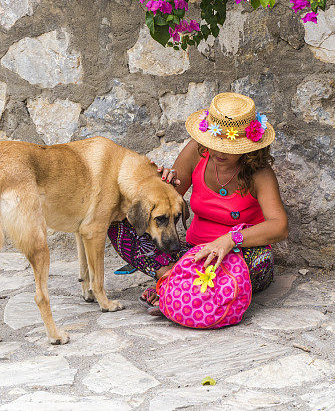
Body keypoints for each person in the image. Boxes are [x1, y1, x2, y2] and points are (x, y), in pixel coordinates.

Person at [107, 92, 288, 309]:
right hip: (191, 253)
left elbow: (280, 227)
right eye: (214, 142)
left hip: (236, 255)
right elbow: (171, 198)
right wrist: (162, 181)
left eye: (228, 147)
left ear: (248, 149)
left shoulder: (260, 174)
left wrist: (230, 240)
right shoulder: (196, 152)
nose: (218, 152)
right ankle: (176, 281)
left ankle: (176, 288)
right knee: (118, 225)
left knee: (260, 262)